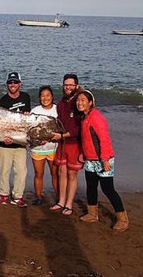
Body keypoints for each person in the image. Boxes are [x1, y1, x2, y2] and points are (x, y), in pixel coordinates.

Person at [76, 90, 128, 232]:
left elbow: (104, 140)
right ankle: (92, 214)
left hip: (103, 159)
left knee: (108, 189)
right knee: (91, 186)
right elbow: (86, 140)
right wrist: (82, 154)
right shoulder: (84, 117)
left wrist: (105, 160)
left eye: (83, 100)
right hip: (90, 160)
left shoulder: (96, 117)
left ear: (90, 103)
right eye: (78, 100)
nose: (79, 103)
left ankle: (122, 219)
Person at [49, 74, 83, 216]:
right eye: (65, 85)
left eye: (71, 85)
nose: (68, 87)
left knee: (72, 174)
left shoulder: (79, 102)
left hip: (74, 143)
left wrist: (62, 136)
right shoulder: (62, 103)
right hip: (62, 144)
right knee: (61, 172)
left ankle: (69, 204)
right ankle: (61, 201)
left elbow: (79, 128)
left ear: (76, 86)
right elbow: (59, 123)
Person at [0, 72, 31, 208]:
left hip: (20, 142)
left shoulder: (26, 97)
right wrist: (4, 138)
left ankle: (17, 195)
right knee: (4, 170)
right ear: (7, 85)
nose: (13, 85)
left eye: (15, 82)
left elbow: (25, 119)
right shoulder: (2, 101)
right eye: (10, 83)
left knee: (21, 170)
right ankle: (3, 193)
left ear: (20, 84)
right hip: (4, 142)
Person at [30, 86, 59, 205]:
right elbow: (30, 130)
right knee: (38, 174)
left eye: (48, 95)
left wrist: (50, 138)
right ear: (39, 97)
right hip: (38, 148)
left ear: (52, 97)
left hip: (54, 148)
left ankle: (59, 197)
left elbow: (61, 129)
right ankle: (38, 197)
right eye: (42, 96)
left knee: (55, 174)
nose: (45, 98)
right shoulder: (35, 111)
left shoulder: (58, 110)